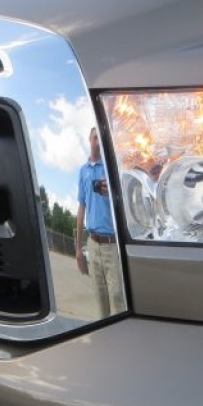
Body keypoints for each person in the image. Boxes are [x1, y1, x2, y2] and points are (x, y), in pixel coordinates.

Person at [76, 128, 125, 317]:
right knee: (100, 299)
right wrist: (79, 249)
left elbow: (122, 203)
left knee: (117, 297)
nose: (97, 142)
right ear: (89, 139)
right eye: (95, 137)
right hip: (92, 243)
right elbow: (81, 208)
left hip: (112, 245)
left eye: (100, 139)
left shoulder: (111, 169)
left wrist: (111, 193)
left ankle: (121, 340)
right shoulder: (83, 171)